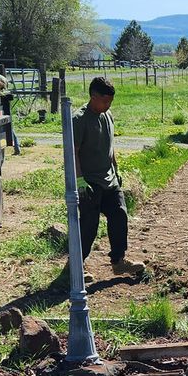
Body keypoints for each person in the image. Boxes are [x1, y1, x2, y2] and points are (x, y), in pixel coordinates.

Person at [73, 76, 146, 279]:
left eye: (110, 101)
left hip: (109, 179)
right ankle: (77, 266)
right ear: (93, 97)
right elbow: (73, 152)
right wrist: (79, 180)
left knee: (119, 215)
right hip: (89, 181)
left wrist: (116, 168)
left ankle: (118, 261)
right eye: (105, 101)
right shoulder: (79, 119)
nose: (108, 105)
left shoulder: (108, 115)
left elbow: (110, 146)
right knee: (89, 225)